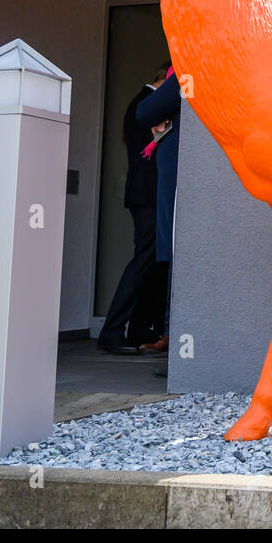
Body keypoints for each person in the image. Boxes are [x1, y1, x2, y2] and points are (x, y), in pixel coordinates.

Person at [97, 66, 169, 354]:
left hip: (148, 194)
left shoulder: (141, 101)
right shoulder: (144, 103)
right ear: (164, 78)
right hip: (147, 194)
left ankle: (138, 329)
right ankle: (112, 330)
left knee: (151, 261)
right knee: (143, 260)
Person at [136, 66, 182, 376]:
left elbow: (147, 111)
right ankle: (169, 334)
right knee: (172, 252)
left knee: (176, 252)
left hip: (180, 180)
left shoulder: (189, 65)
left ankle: (173, 337)